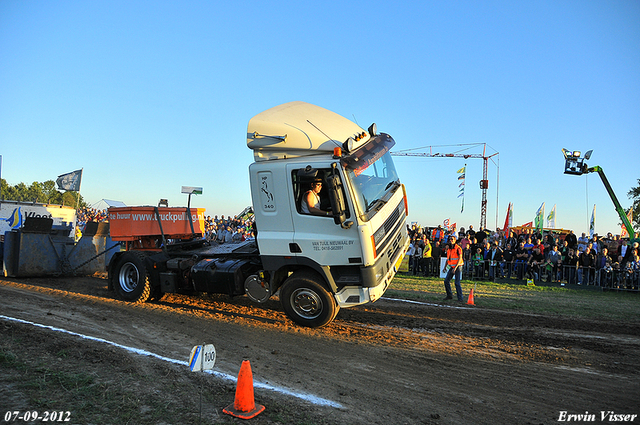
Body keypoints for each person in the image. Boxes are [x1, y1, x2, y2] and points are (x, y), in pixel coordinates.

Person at [442, 235, 464, 301]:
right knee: (446, 281)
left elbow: (460, 258)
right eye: (450, 239)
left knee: (457, 282)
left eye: (452, 239)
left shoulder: (458, 248)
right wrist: (445, 267)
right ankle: (449, 295)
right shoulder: (449, 249)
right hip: (452, 267)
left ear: (455, 240)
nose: (451, 240)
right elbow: (448, 259)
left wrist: (455, 268)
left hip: (458, 266)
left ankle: (460, 298)